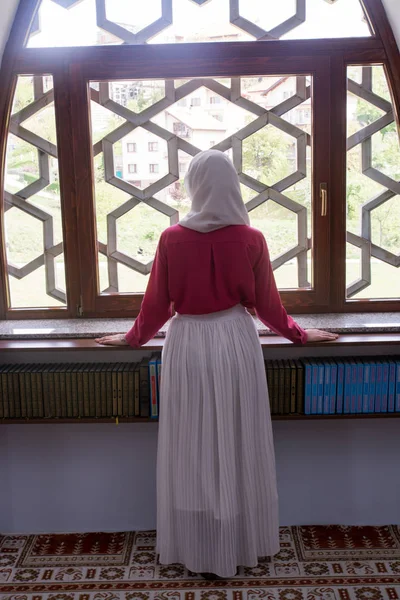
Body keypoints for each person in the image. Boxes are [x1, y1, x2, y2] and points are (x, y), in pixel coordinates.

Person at [95, 150, 338, 579]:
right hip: (235, 341)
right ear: (232, 186)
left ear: (194, 186)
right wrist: (301, 334)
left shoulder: (172, 238)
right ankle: (241, 540)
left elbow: (155, 306)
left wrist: (131, 338)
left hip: (187, 341)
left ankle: (197, 544)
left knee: (192, 440)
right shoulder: (251, 238)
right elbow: (267, 306)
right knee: (236, 434)